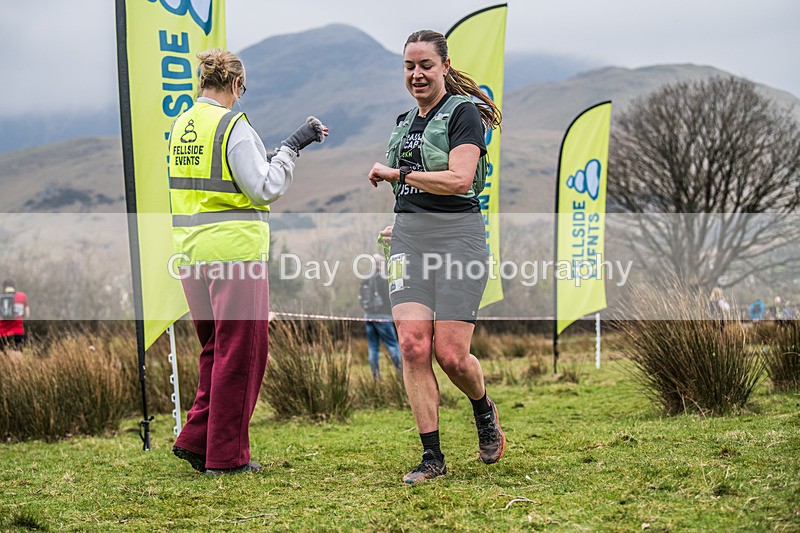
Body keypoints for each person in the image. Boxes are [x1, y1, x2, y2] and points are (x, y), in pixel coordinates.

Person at [169, 49, 328, 475]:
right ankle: (227, 457)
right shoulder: (232, 125)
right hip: (234, 254)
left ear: (201, 82)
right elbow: (262, 186)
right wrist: (292, 148)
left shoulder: (180, 126)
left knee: (215, 349)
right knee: (243, 353)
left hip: (189, 253)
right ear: (237, 85)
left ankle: (197, 439)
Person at [367, 30, 505, 483]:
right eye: (409, 66)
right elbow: (411, 189)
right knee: (411, 345)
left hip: (459, 242)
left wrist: (399, 172)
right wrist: (403, 215)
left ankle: (483, 409)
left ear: (445, 66)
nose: (417, 74)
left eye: (426, 65)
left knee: (450, 355)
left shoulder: (463, 114)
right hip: (409, 241)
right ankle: (432, 458)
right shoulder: (404, 120)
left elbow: (460, 179)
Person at [359, 253, 402, 380]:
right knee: (393, 345)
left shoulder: (366, 278)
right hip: (383, 316)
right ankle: (401, 374)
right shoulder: (385, 278)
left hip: (368, 316)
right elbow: (390, 298)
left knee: (373, 347)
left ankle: (376, 377)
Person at [0, 279, 30, 351]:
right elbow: (27, 314)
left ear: (3, 287)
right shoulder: (22, 296)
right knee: (17, 353)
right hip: (17, 330)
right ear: (14, 287)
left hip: (2, 331)